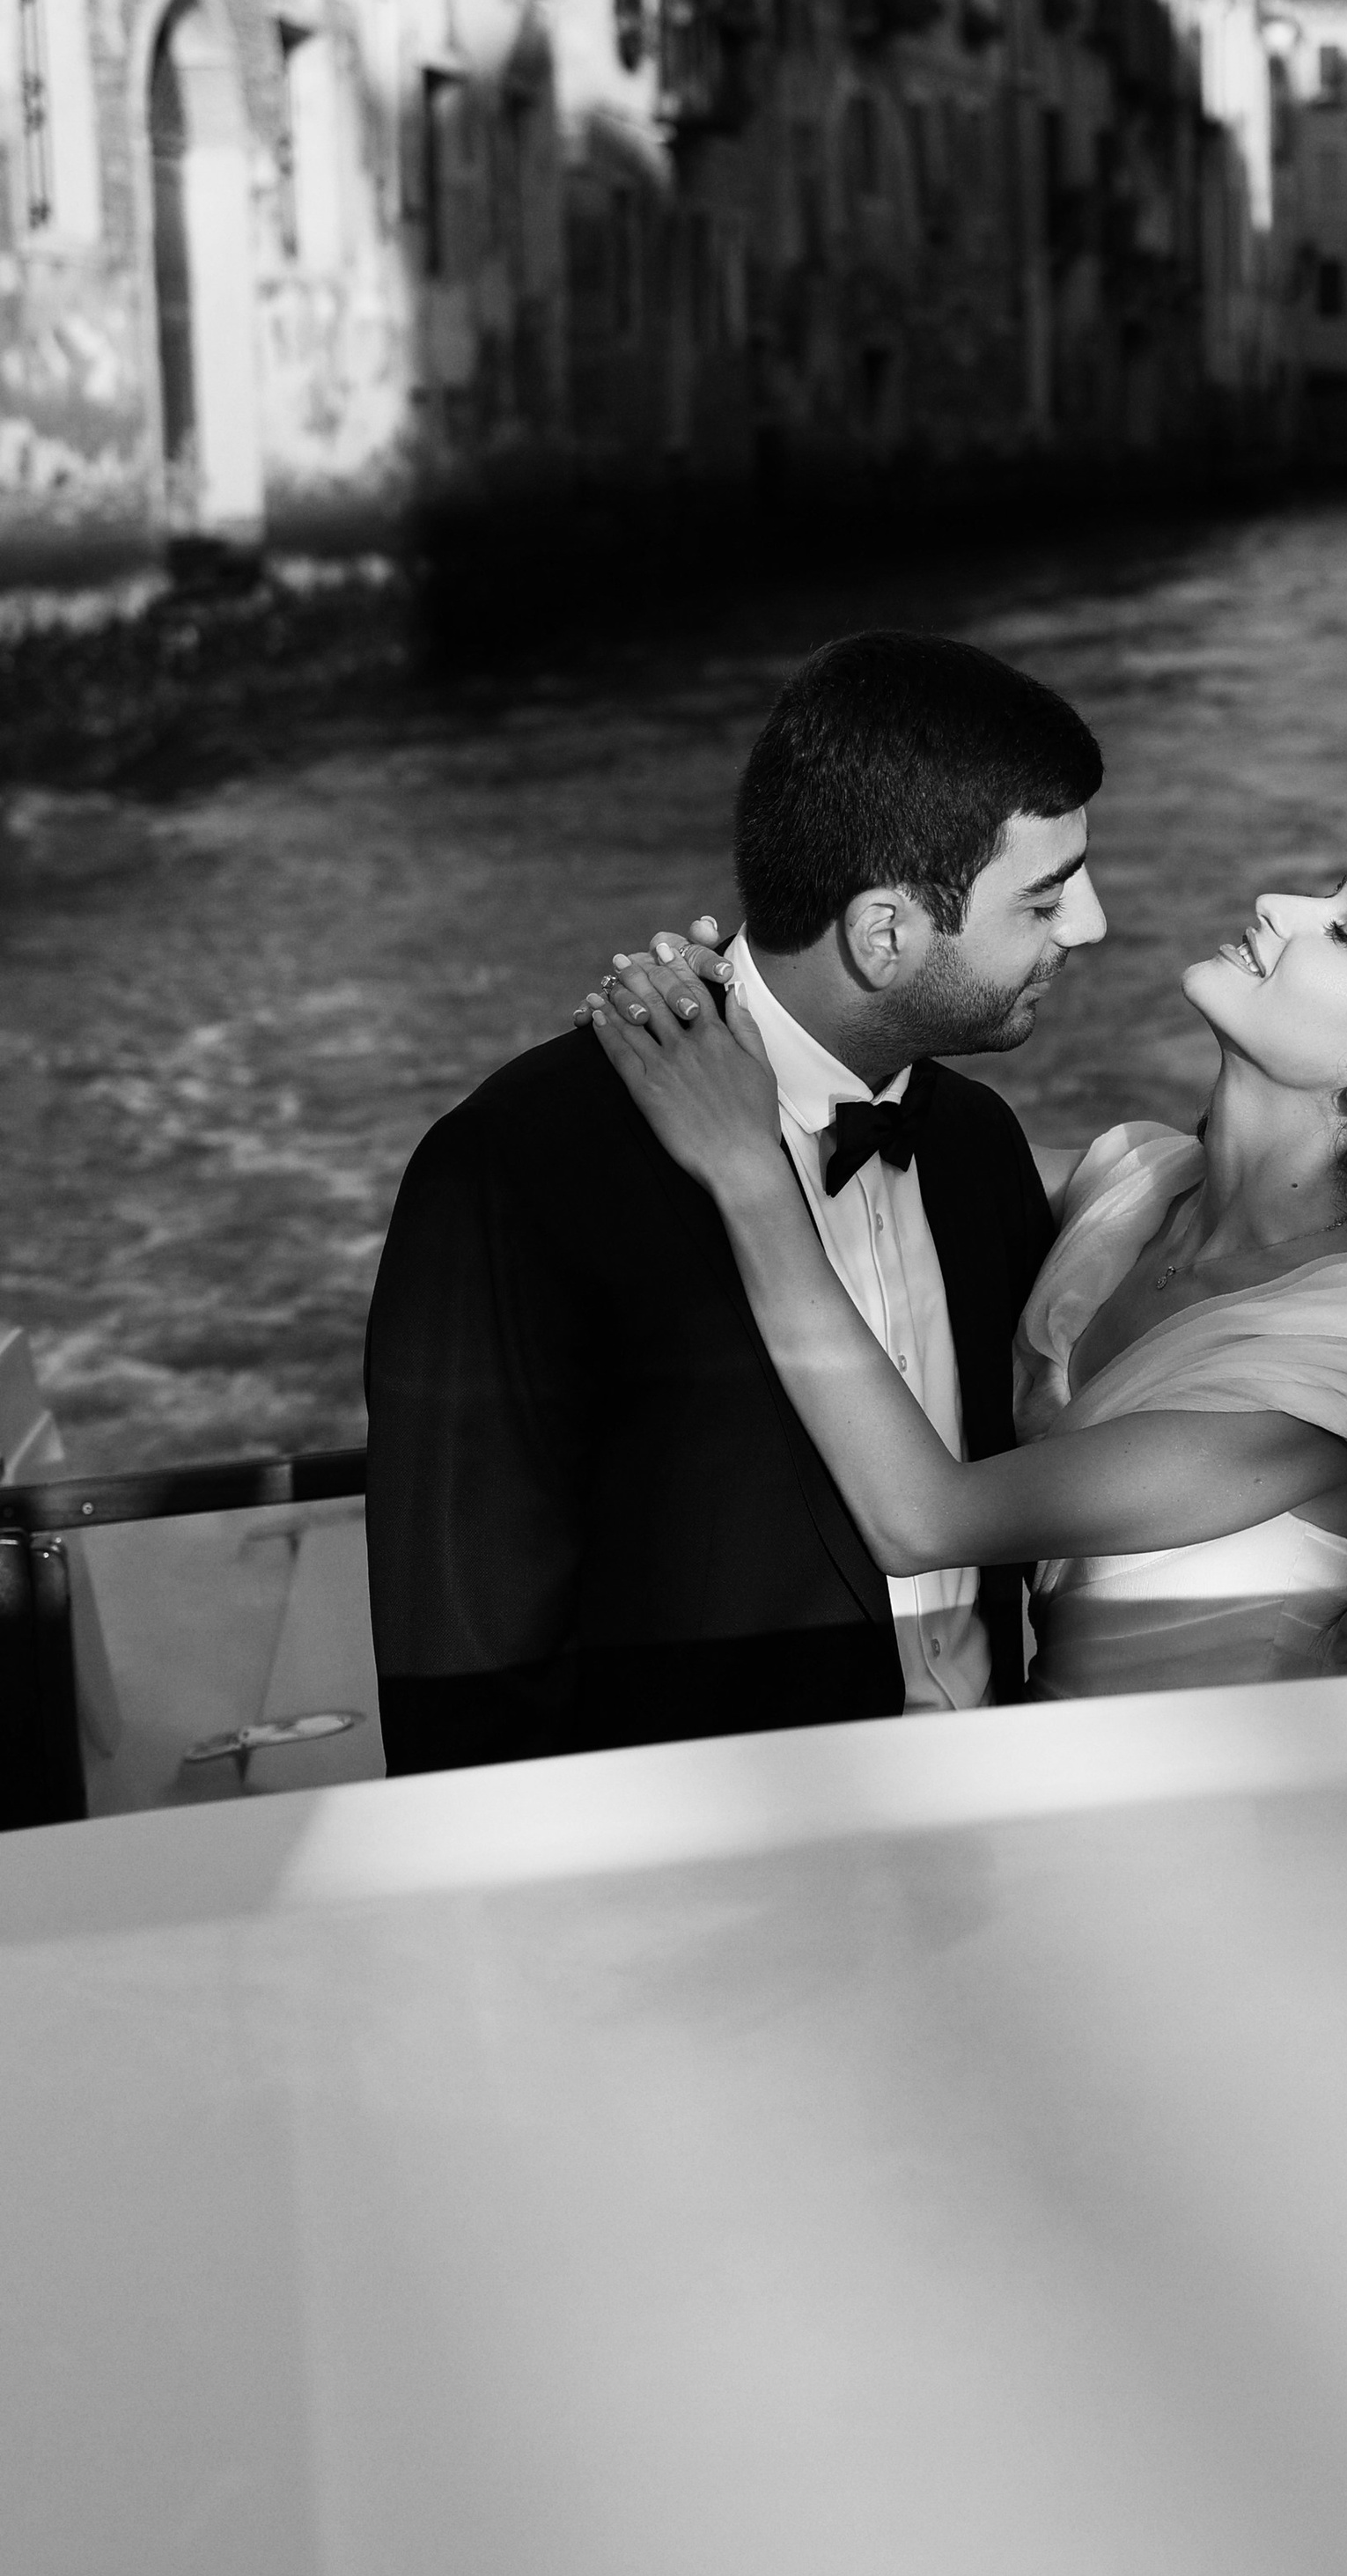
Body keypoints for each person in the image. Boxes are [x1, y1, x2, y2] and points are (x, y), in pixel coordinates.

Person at [584, 853, 1347, 1696]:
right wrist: (745, 1012)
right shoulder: (1133, 1181)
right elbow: (879, 1162)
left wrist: (745, 1176)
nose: (1277, 905)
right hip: (1037, 1772)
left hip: (1193, 1842)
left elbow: (923, 1520)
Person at [364, 632, 1106, 1770]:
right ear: (885, 932)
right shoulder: (520, 1170)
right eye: (1046, 900)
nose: (1090, 927)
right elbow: (462, 1664)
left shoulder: (976, 1146)